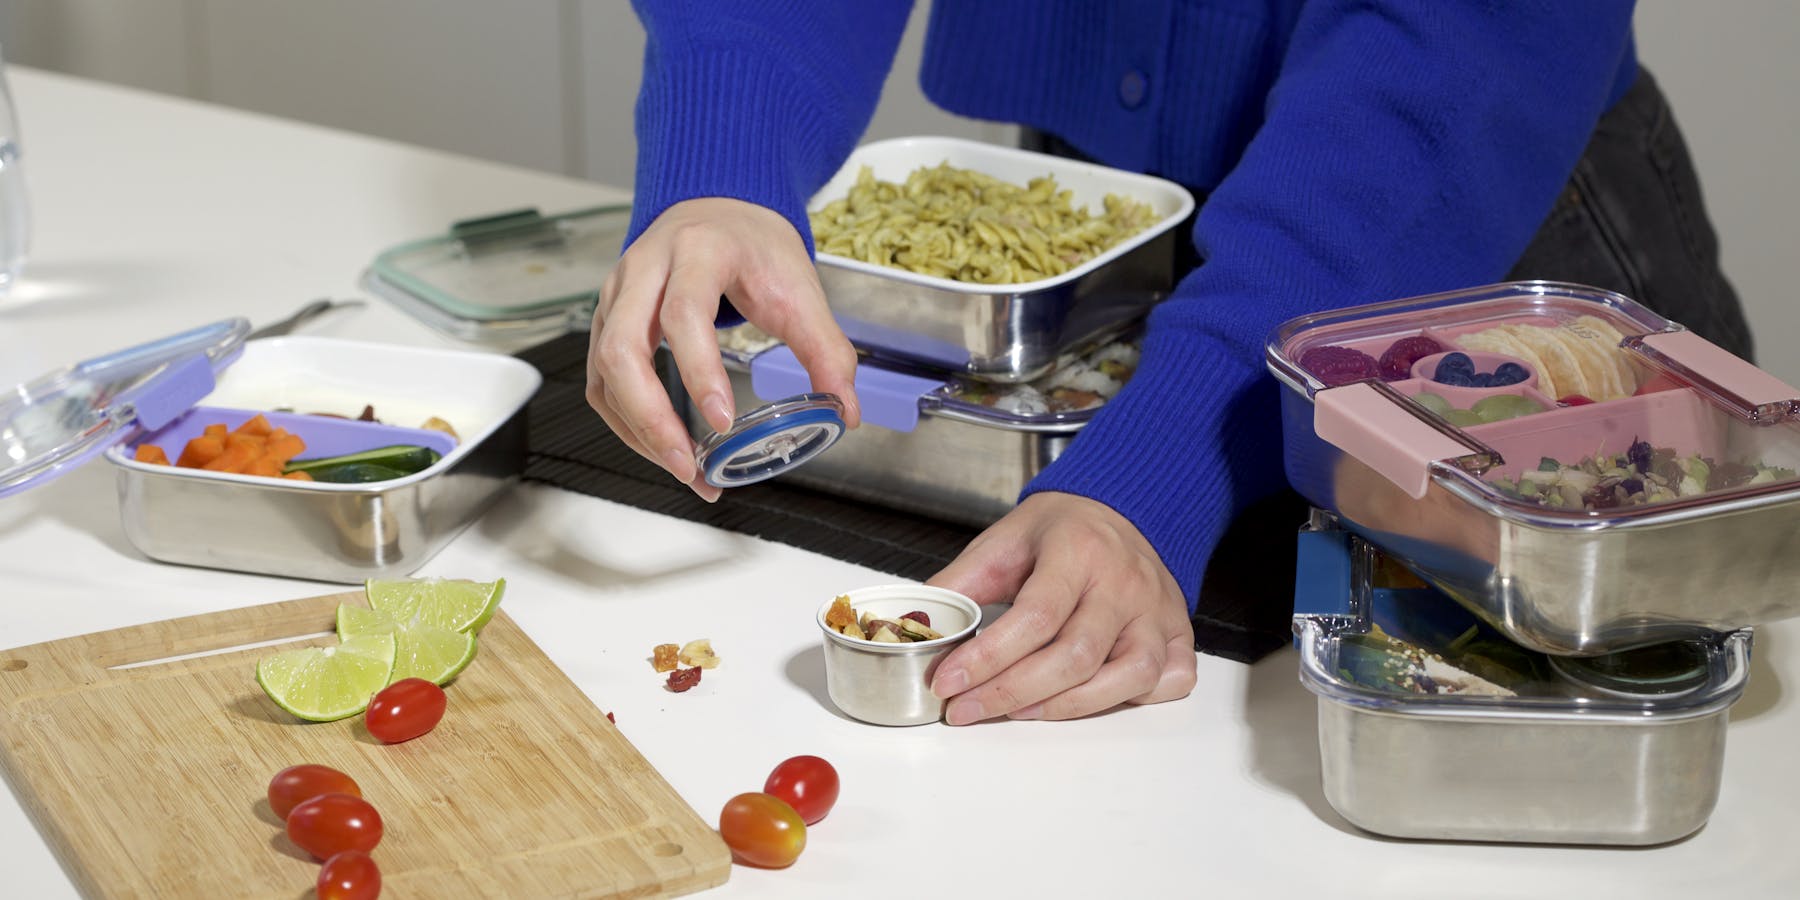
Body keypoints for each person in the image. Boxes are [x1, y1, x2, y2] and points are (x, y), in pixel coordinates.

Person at [588, 1, 1752, 725]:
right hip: (1093, 222)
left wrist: (1168, 457)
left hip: (1462, 229)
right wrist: (724, 158)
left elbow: (1462, 42)